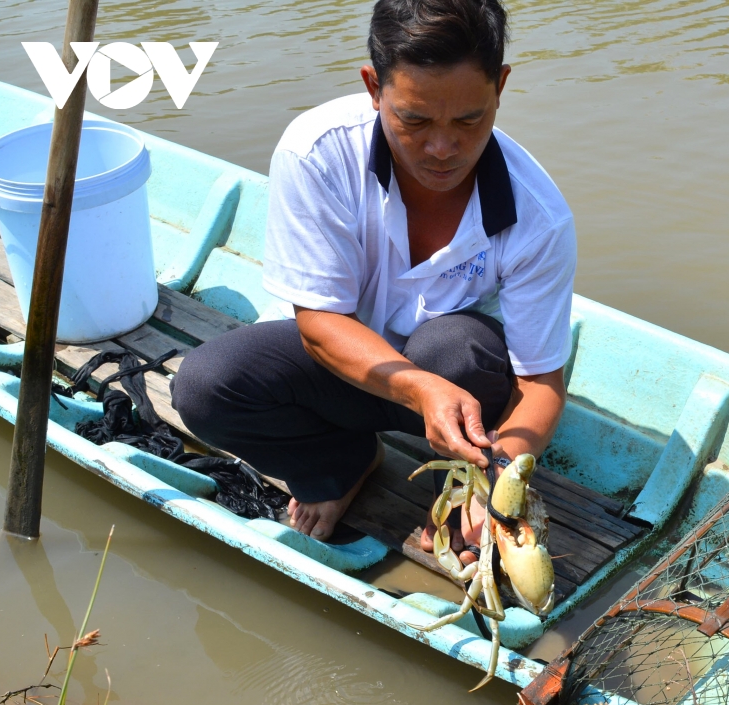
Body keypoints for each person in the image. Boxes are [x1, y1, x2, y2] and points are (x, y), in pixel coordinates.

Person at [171, 0, 575, 565]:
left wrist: (500, 480)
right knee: (207, 386)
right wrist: (418, 388)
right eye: (414, 120)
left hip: (462, 395)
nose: (442, 149)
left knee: (457, 350)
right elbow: (317, 324)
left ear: (501, 87)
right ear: (372, 87)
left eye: (468, 120)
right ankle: (341, 462)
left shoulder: (539, 215)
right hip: (346, 367)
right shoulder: (315, 152)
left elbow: (541, 384)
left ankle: (459, 498)